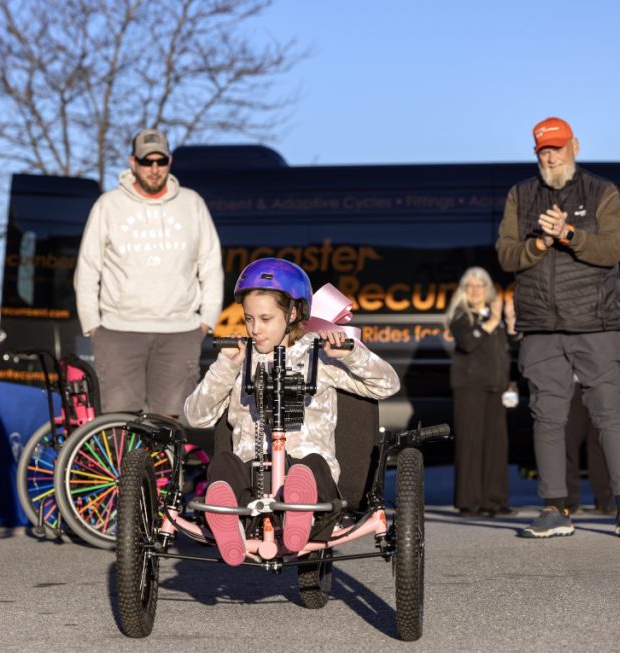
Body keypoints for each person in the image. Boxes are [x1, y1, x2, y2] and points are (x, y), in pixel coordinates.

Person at [184, 258, 400, 566]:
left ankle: (301, 514)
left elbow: (388, 385)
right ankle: (228, 524)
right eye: (248, 319)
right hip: (251, 484)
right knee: (223, 465)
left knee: (308, 468)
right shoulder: (239, 357)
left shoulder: (320, 355)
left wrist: (351, 356)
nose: (255, 329)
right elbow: (196, 417)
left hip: (311, 481)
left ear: (293, 313)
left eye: (265, 318)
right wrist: (224, 366)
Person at [496, 116, 620, 540]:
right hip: (541, 326)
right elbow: (507, 257)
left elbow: (612, 250)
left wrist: (568, 233)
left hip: (595, 322)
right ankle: (554, 508)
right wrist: (540, 243)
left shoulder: (603, 191)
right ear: (536, 154)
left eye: (557, 148)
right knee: (546, 417)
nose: (551, 156)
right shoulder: (520, 194)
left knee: (607, 413)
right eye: (543, 150)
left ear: (574, 147)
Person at [74, 128, 224, 418]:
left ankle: (165, 467)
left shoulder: (192, 204)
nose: (154, 169)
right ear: (133, 162)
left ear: (169, 161)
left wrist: (206, 322)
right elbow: (88, 268)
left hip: (180, 333)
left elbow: (211, 266)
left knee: (170, 422)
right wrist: (93, 324)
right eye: (146, 161)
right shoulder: (109, 205)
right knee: (120, 422)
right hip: (118, 331)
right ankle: (126, 466)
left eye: (161, 161)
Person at [444, 267, 516, 518]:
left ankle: (493, 500)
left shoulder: (494, 317)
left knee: (497, 445)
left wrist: (510, 323)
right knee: (471, 443)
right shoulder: (460, 315)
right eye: (470, 286)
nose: (475, 291)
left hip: (496, 387)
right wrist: (492, 322)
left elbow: (506, 350)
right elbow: (468, 343)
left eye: (480, 286)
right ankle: (469, 502)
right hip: (470, 387)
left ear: (488, 290)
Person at [564, 380, 613, 515]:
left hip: (598, 383)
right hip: (571, 384)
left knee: (600, 445)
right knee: (568, 444)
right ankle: (569, 501)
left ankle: (604, 501)